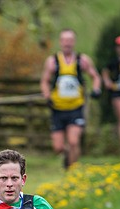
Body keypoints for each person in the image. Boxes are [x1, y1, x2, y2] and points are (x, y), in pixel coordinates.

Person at [39, 29, 102, 169]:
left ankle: (72, 171)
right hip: (57, 108)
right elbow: (44, 81)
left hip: (76, 108)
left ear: (74, 42)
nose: (67, 43)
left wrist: (96, 89)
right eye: (64, 40)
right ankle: (67, 155)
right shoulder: (52, 61)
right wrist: (47, 95)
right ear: (60, 42)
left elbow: (95, 76)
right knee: (58, 147)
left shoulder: (82, 60)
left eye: (70, 40)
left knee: (74, 141)